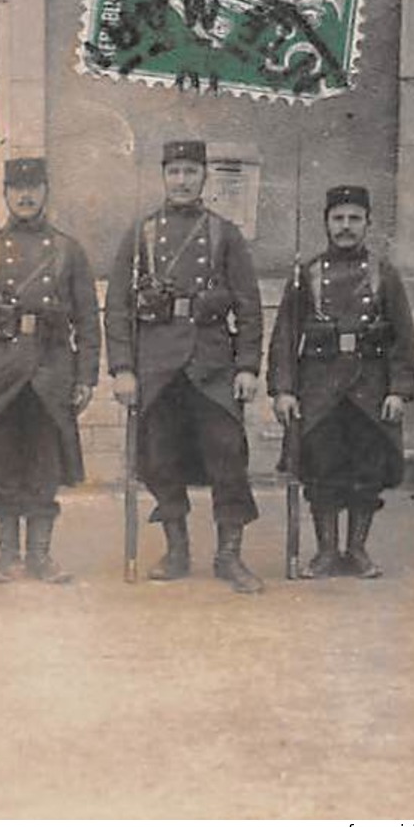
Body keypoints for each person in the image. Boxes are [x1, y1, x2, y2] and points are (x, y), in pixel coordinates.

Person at [104, 139, 266, 594]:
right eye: (173, 171)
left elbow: (250, 307)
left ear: (204, 178)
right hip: (156, 365)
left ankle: (229, 555)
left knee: (228, 454)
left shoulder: (224, 234)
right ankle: (176, 549)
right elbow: (116, 307)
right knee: (158, 458)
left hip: (211, 364)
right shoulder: (140, 234)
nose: (181, 180)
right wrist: (122, 368)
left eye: (190, 172)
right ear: (163, 176)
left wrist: (248, 366)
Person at [0, 157, 99, 583]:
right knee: (2, 465)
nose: (26, 195)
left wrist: (86, 376)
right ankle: (8, 555)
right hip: (0, 375)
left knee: (44, 467)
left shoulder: (69, 251)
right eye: (17, 188)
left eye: (33, 186)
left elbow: (88, 319)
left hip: (51, 374)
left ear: (47, 191)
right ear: (5, 195)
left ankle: (41, 556)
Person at [268, 185, 414, 579]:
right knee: (322, 470)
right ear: (326, 223)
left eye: (354, 218)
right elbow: (285, 334)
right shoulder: (307, 275)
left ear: (368, 223)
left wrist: (399, 390)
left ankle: (358, 551)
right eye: (338, 218)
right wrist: (283, 389)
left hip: (369, 387)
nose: (345, 227)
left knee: (367, 473)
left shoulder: (384, 274)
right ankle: (327, 551)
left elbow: (404, 336)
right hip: (320, 389)